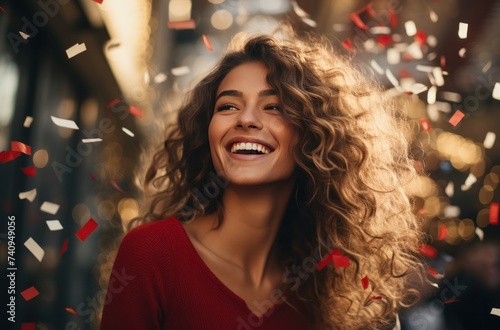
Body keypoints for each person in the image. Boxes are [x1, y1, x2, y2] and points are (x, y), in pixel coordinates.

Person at [100, 29, 424, 330]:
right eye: (228, 106)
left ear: (314, 137)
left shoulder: (318, 288)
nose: (246, 119)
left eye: (274, 106)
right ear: (207, 130)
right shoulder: (151, 253)